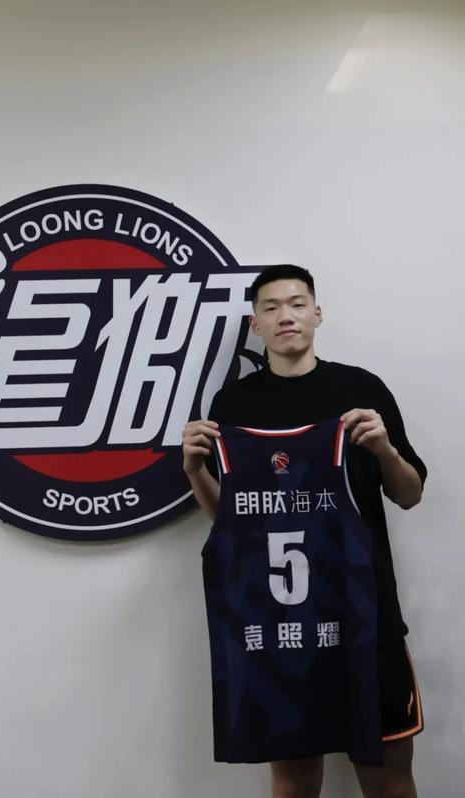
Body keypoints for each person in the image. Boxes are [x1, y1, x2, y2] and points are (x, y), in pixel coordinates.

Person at [182, 264, 426, 798]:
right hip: (280, 626)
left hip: (366, 617)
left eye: (296, 304)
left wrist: (384, 448)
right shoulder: (235, 406)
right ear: (255, 325)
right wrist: (195, 470)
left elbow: (409, 494)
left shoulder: (360, 390)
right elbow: (232, 520)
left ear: (317, 313)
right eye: (270, 308)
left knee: (387, 779)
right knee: (293, 781)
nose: (285, 316)